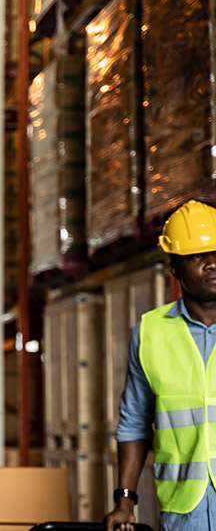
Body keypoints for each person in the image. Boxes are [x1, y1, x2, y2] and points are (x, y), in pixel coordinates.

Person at [105, 200, 216, 531]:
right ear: (175, 268)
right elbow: (134, 423)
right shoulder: (150, 332)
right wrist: (125, 501)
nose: (212, 264)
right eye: (198, 255)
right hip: (185, 510)